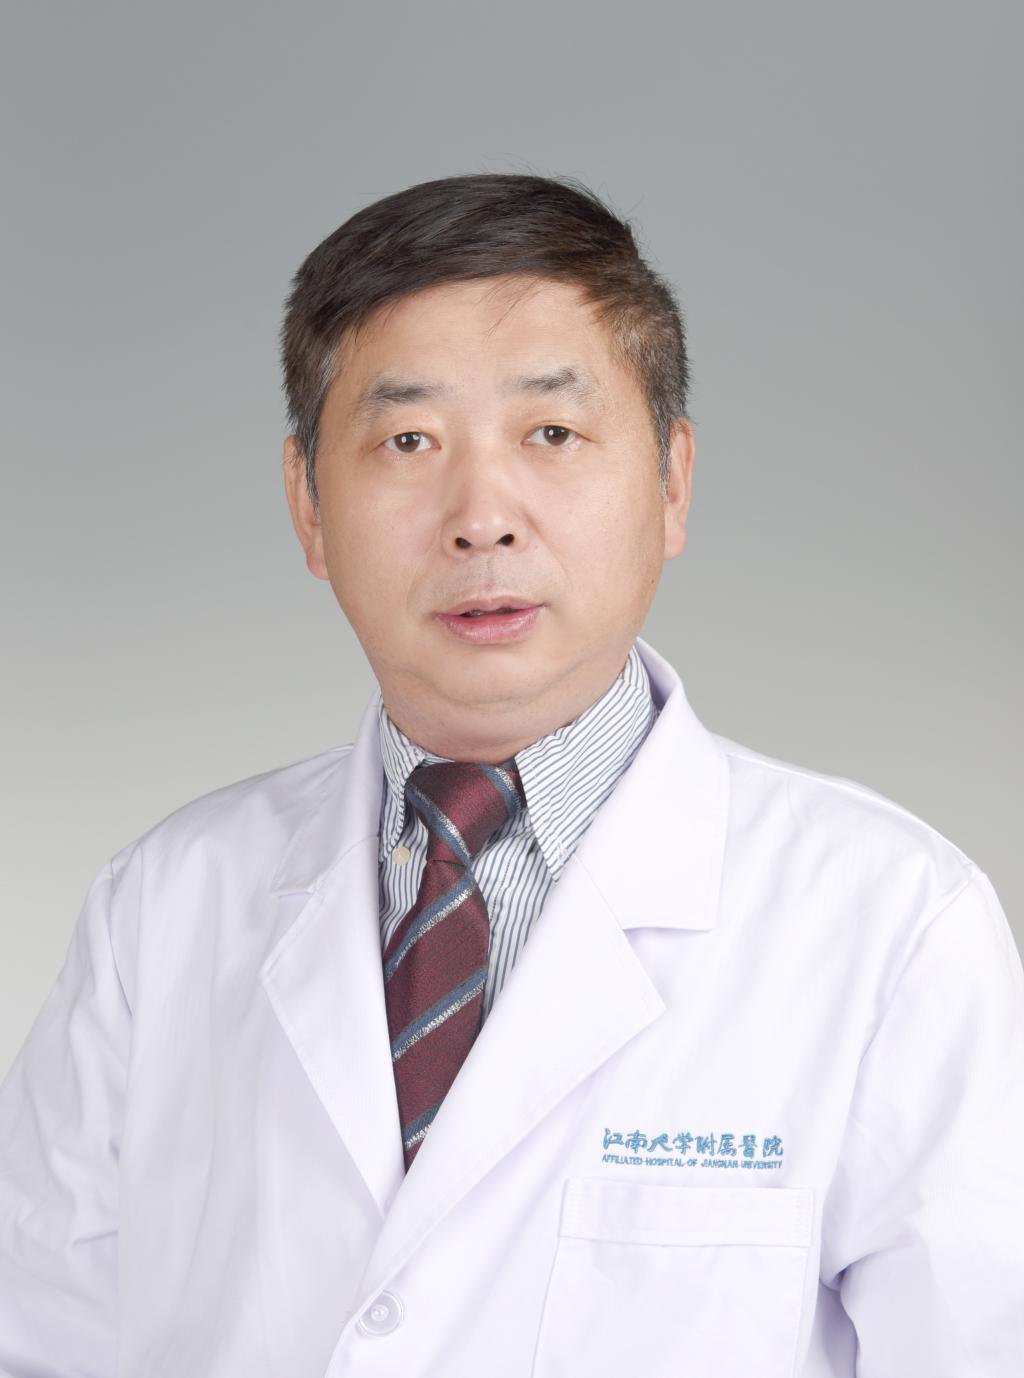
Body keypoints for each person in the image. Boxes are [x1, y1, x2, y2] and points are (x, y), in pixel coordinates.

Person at [0, 172, 1021, 1377]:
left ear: (672, 480)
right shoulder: (164, 907)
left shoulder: (892, 922)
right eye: (409, 441)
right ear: (308, 505)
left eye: (551, 434)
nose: (481, 517)